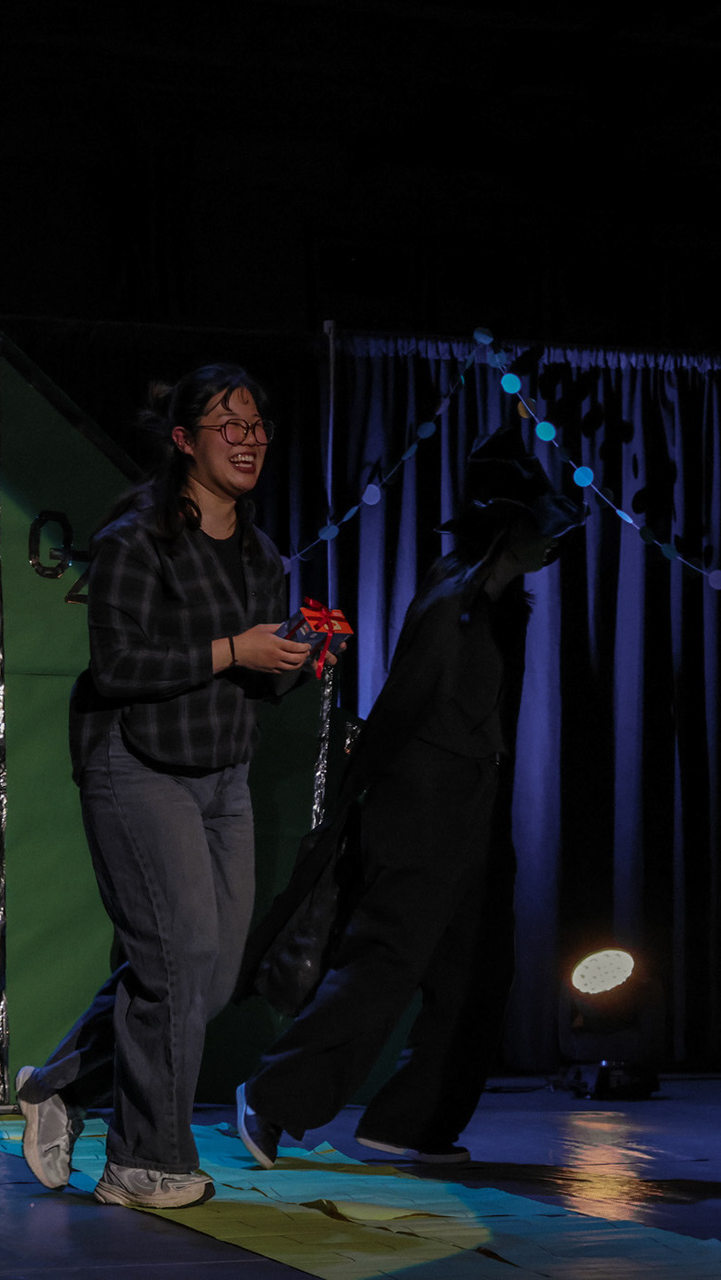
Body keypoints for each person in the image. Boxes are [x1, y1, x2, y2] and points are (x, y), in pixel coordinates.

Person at [234, 426, 584, 1167]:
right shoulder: (455, 603)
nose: (553, 546)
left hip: (473, 802)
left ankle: (412, 1121)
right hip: (422, 804)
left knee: (477, 972)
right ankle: (271, 1098)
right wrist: (364, 810)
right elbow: (402, 709)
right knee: (385, 962)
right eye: (542, 530)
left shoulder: (498, 604)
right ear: (509, 529)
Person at [15, 364, 314, 1209]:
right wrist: (235, 648)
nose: (249, 441)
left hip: (223, 773)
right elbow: (117, 666)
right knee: (175, 960)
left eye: (257, 427)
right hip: (137, 765)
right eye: (230, 426)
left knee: (206, 979)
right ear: (185, 440)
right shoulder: (134, 540)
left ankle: (59, 1084)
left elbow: (260, 684)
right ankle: (142, 1162)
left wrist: (294, 660)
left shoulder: (260, 554)